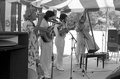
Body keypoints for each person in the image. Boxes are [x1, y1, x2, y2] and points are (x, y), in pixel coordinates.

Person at [22, 6, 41, 79]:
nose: (36, 15)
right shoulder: (27, 23)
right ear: (30, 14)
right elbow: (34, 31)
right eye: (35, 13)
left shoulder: (31, 23)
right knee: (32, 73)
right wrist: (40, 19)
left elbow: (33, 35)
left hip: (33, 52)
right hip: (30, 53)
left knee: (35, 72)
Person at [38, 10, 56, 78]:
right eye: (52, 17)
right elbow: (39, 27)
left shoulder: (46, 21)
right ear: (49, 16)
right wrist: (48, 31)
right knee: (44, 56)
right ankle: (44, 72)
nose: (52, 18)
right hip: (44, 40)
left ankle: (46, 71)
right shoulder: (42, 20)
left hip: (47, 40)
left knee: (48, 56)